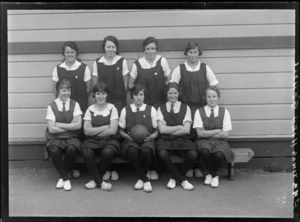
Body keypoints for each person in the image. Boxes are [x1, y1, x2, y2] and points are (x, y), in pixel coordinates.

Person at [170, 41, 219, 177]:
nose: (193, 55)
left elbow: (214, 86)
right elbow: (172, 88)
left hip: (202, 108)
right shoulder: (180, 69)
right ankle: (188, 167)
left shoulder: (205, 68)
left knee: (200, 137)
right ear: (187, 53)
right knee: (188, 137)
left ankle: (199, 167)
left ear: (199, 53)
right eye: (190, 52)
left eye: (195, 52)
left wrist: (210, 102)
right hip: (186, 108)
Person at [156, 82, 198, 191]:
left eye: (175, 93)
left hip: (182, 139)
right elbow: (162, 130)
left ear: (179, 93)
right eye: (170, 93)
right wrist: (179, 126)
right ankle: (182, 180)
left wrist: (169, 130)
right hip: (166, 140)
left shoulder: (185, 107)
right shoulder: (161, 108)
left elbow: (186, 129)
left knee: (192, 154)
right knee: (162, 153)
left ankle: (175, 178)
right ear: (166, 94)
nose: (172, 95)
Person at [80, 82, 120, 191]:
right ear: (94, 95)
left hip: (109, 140)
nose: (101, 96)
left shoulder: (113, 109)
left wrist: (94, 131)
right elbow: (86, 131)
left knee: (108, 152)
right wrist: (104, 127)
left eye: (103, 93)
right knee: (86, 150)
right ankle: (100, 182)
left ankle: (95, 180)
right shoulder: (90, 109)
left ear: (107, 94)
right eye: (98, 93)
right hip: (92, 140)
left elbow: (112, 131)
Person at [119, 84, 159, 193]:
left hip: (147, 140)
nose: (139, 97)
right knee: (132, 151)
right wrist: (125, 136)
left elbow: (156, 130)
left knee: (146, 151)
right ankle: (145, 179)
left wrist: (152, 136)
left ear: (144, 96)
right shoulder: (125, 110)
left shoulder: (151, 109)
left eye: (141, 94)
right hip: (130, 140)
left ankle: (141, 179)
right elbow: (120, 130)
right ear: (132, 96)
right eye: (136, 95)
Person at [193, 86, 234, 188]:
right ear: (205, 98)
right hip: (203, 141)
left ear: (218, 97)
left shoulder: (224, 112)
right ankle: (215, 176)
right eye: (209, 96)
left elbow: (225, 134)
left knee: (219, 155)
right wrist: (216, 130)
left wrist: (207, 132)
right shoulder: (199, 112)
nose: (211, 99)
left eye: (214, 96)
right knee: (205, 152)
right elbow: (200, 134)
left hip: (220, 142)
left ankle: (209, 174)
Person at [45, 79, 83, 191]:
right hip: (55, 138)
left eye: (68, 90)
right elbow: (52, 129)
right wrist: (69, 126)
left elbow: (78, 126)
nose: (66, 93)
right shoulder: (51, 106)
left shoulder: (75, 104)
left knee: (71, 148)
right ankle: (66, 178)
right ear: (58, 91)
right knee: (53, 149)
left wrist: (59, 124)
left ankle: (62, 177)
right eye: (63, 90)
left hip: (72, 137)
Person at [128, 36, 171, 109]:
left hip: (160, 103)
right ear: (144, 50)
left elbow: (169, 80)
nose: (150, 52)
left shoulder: (162, 61)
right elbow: (130, 85)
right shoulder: (137, 64)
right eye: (147, 49)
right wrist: (139, 93)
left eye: (152, 49)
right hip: (143, 105)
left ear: (156, 50)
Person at [92, 35, 129, 115]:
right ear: (104, 48)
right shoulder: (97, 63)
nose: (111, 49)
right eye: (108, 47)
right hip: (103, 102)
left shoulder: (122, 61)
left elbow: (125, 84)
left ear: (116, 48)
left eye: (113, 47)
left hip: (119, 102)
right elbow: (95, 85)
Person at [52, 41, 92, 113]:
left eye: (72, 52)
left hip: (80, 106)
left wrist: (82, 98)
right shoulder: (58, 69)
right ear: (63, 53)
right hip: (63, 107)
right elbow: (55, 89)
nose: (70, 54)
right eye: (67, 52)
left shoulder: (84, 68)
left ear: (76, 53)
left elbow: (88, 88)